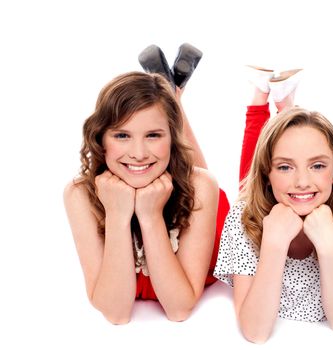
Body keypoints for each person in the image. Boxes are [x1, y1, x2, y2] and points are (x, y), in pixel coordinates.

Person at [63, 43, 231, 324]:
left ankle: (173, 99)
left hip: (207, 227)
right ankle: (170, 95)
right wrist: (117, 215)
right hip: (165, 178)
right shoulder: (78, 194)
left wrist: (151, 216)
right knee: (170, 161)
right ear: (100, 139)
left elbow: (178, 309)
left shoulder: (201, 186)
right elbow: (116, 313)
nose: (138, 152)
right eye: (121, 136)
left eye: (153, 135)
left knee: (199, 176)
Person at [213, 65, 333, 343]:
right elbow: (255, 333)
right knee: (247, 178)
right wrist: (274, 245)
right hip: (259, 200)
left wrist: (329, 247)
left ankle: (284, 105)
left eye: (317, 165)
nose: (303, 181)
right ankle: (266, 98)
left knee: (294, 148)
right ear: (267, 174)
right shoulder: (242, 218)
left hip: (286, 192)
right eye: (283, 167)